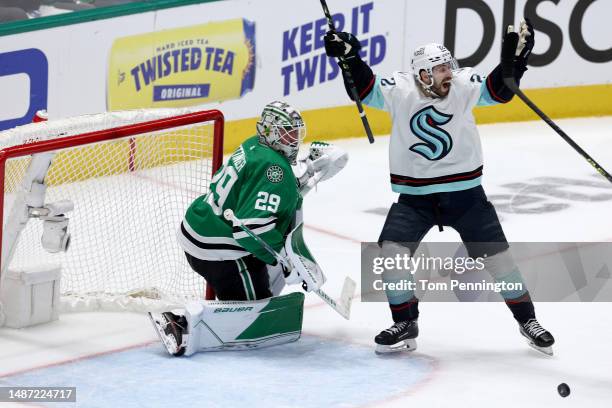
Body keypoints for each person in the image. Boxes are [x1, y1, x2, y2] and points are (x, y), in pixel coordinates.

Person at [324, 20, 555, 355]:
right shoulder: (400, 90)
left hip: (466, 196)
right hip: (415, 199)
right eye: (440, 69)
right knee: (392, 253)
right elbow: (363, 88)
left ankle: (527, 320)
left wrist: (514, 63)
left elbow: (500, 92)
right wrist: (350, 58)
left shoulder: (463, 84)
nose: (449, 73)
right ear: (422, 75)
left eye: (449, 66)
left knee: (500, 261)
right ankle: (405, 321)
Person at [149, 101, 348, 356]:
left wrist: (306, 174)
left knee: (269, 273)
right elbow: (251, 231)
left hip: (201, 226)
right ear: (270, 132)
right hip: (218, 248)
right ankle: (180, 325)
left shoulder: (255, 144)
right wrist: (287, 261)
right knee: (252, 316)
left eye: (296, 132)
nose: (294, 139)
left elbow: (260, 192)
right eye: (287, 132)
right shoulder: (275, 170)